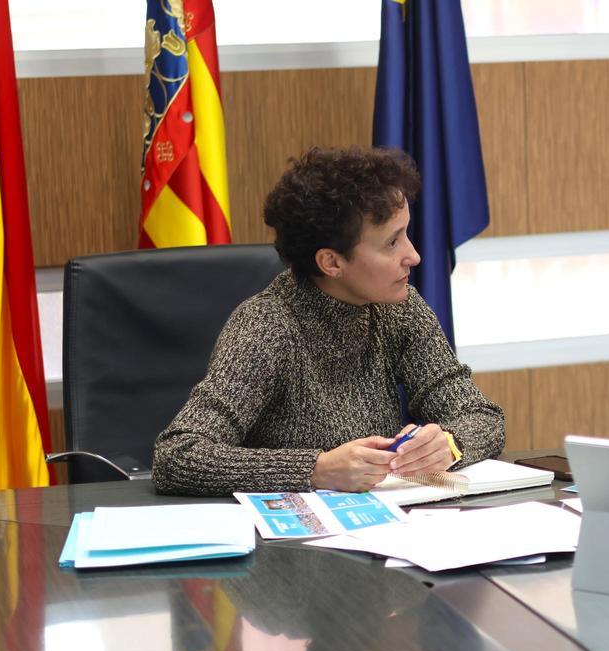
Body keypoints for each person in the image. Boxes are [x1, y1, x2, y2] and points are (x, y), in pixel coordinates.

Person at [153, 147, 504, 496]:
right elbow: (176, 456)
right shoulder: (267, 326)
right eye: (392, 242)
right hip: (292, 541)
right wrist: (316, 469)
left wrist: (449, 444)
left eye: (406, 234)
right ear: (331, 263)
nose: (413, 255)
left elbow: (483, 417)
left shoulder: (400, 308)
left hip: (386, 525)